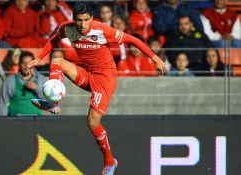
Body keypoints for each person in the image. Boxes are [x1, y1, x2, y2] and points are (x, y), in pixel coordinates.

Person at [26, 2, 165, 175]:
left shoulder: (102, 30)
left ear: (92, 18)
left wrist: (155, 59)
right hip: (88, 73)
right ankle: (54, 103)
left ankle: (109, 160)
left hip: (105, 78)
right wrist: (39, 58)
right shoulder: (67, 29)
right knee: (56, 62)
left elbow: (133, 39)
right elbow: (54, 39)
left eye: (86, 20)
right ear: (73, 19)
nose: (83, 25)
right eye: (79, 20)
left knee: (92, 122)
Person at [0, 51, 47, 116]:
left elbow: (48, 103)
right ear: (19, 64)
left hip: (36, 122)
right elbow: (3, 104)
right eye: (23, 63)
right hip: (15, 122)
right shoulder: (9, 81)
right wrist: (3, 123)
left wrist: (37, 89)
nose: (26, 66)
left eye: (29, 63)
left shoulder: (42, 79)